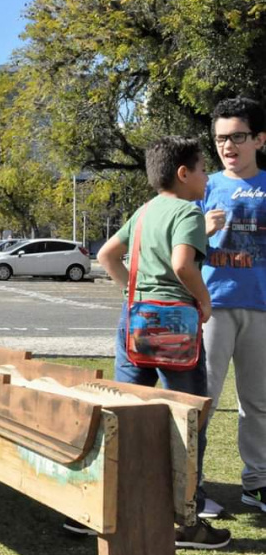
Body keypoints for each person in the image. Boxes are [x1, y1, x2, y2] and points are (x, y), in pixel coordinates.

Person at [96, 136, 230, 549]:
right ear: (183, 173)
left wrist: (131, 293)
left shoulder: (145, 210)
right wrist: (204, 301)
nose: (208, 176)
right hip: (176, 326)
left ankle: (105, 508)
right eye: (203, 169)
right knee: (189, 420)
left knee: (122, 415)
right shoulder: (189, 211)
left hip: (134, 320)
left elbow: (106, 255)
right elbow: (182, 264)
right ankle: (186, 521)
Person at [198, 97, 266, 517]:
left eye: (238, 137)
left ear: (260, 139)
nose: (228, 146)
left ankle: (256, 484)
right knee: (202, 399)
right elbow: (180, 248)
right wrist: (202, 231)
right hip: (213, 307)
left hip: (260, 308)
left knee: (257, 403)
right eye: (221, 138)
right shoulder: (203, 187)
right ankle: (191, 485)